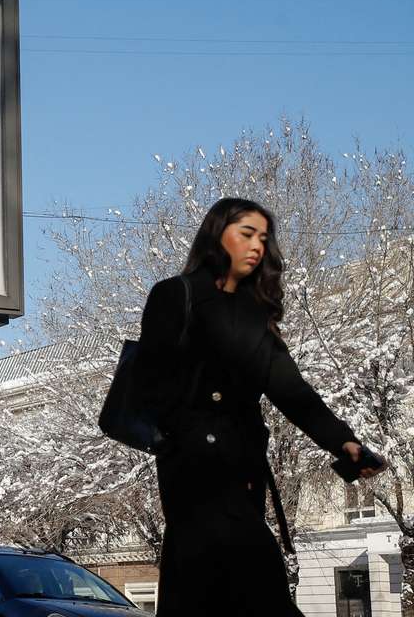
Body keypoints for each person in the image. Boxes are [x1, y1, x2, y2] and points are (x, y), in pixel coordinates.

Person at [137, 198, 387, 616]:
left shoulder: (255, 316)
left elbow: (293, 393)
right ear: (217, 236)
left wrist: (344, 442)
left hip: (243, 468)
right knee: (254, 579)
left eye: (263, 238)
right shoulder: (174, 295)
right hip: (193, 467)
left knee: (203, 589)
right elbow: (150, 379)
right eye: (246, 233)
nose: (257, 246)